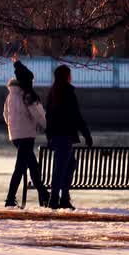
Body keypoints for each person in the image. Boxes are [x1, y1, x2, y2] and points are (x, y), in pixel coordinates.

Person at [45, 64, 93, 209]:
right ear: (66, 76)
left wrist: (49, 136)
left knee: (68, 165)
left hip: (57, 137)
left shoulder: (53, 93)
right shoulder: (68, 93)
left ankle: (63, 198)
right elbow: (76, 116)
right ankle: (56, 199)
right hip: (65, 136)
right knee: (63, 167)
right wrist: (86, 135)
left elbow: (48, 117)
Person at [3, 60, 49, 207]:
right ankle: (10, 199)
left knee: (32, 165)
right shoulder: (27, 95)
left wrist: (13, 126)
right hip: (27, 136)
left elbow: (5, 115)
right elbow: (38, 114)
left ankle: (43, 194)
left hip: (15, 136)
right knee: (20, 167)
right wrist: (47, 127)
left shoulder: (10, 95)